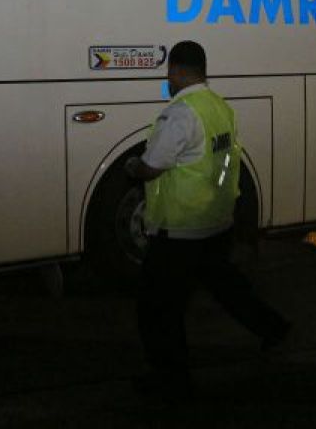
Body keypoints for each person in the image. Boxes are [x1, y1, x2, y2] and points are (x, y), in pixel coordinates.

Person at [125, 40, 291, 397]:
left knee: (157, 309)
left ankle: (172, 379)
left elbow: (152, 168)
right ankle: (273, 328)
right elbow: (227, 163)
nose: (168, 79)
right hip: (215, 222)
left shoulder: (181, 113)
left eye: (169, 73)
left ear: (177, 71)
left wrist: (132, 166)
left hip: (180, 230)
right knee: (228, 287)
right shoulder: (220, 108)